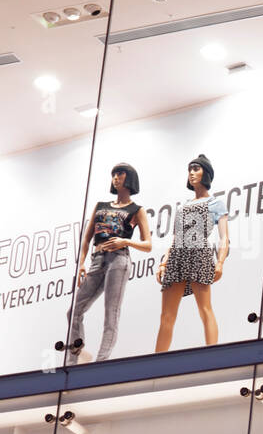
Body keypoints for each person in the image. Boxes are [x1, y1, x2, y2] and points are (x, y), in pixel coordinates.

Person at [67, 162, 152, 362]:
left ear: (129, 178)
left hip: (119, 259)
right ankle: (74, 356)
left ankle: (101, 360)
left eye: (120, 174)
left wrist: (125, 241)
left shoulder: (136, 209)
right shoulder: (100, 206)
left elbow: (148, 244)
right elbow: (86, 239)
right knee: (74, 310)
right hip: (97, 259)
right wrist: (81, 263)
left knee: (111, 311)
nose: (116, 178)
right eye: (114, 174)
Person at [156, 154, 229, 351]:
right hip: (178, 255)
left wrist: (220, 262)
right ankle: (156, 362)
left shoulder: (216, 204)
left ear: (206, 173)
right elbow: (175, 238)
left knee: (205, 309)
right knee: (167, 315)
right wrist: (164, 263)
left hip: (200, 254)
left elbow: (224, 237)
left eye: (196, 169)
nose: (191, 173)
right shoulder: (182, 207)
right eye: (190, 169)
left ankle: (211, 355)